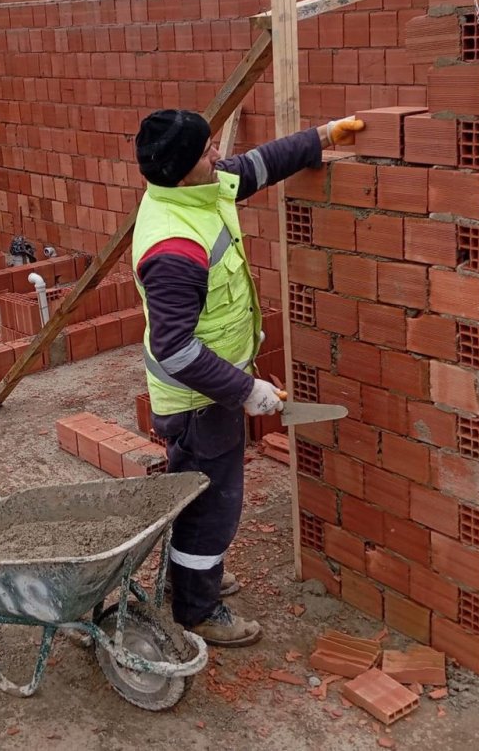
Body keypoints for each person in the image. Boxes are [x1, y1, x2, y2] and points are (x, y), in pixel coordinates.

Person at [132, 108, 363, 646]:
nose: (220, 155)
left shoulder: (198, 190)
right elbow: (175, 349)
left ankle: (189, 577)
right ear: (186, 168)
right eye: (209, 151)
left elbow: (258, 165)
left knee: (196, 493)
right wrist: (246, 391)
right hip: (196, 401)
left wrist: (322, 136)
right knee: (214, 506)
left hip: (210, 393)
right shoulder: (174, 248)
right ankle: (197, 608)